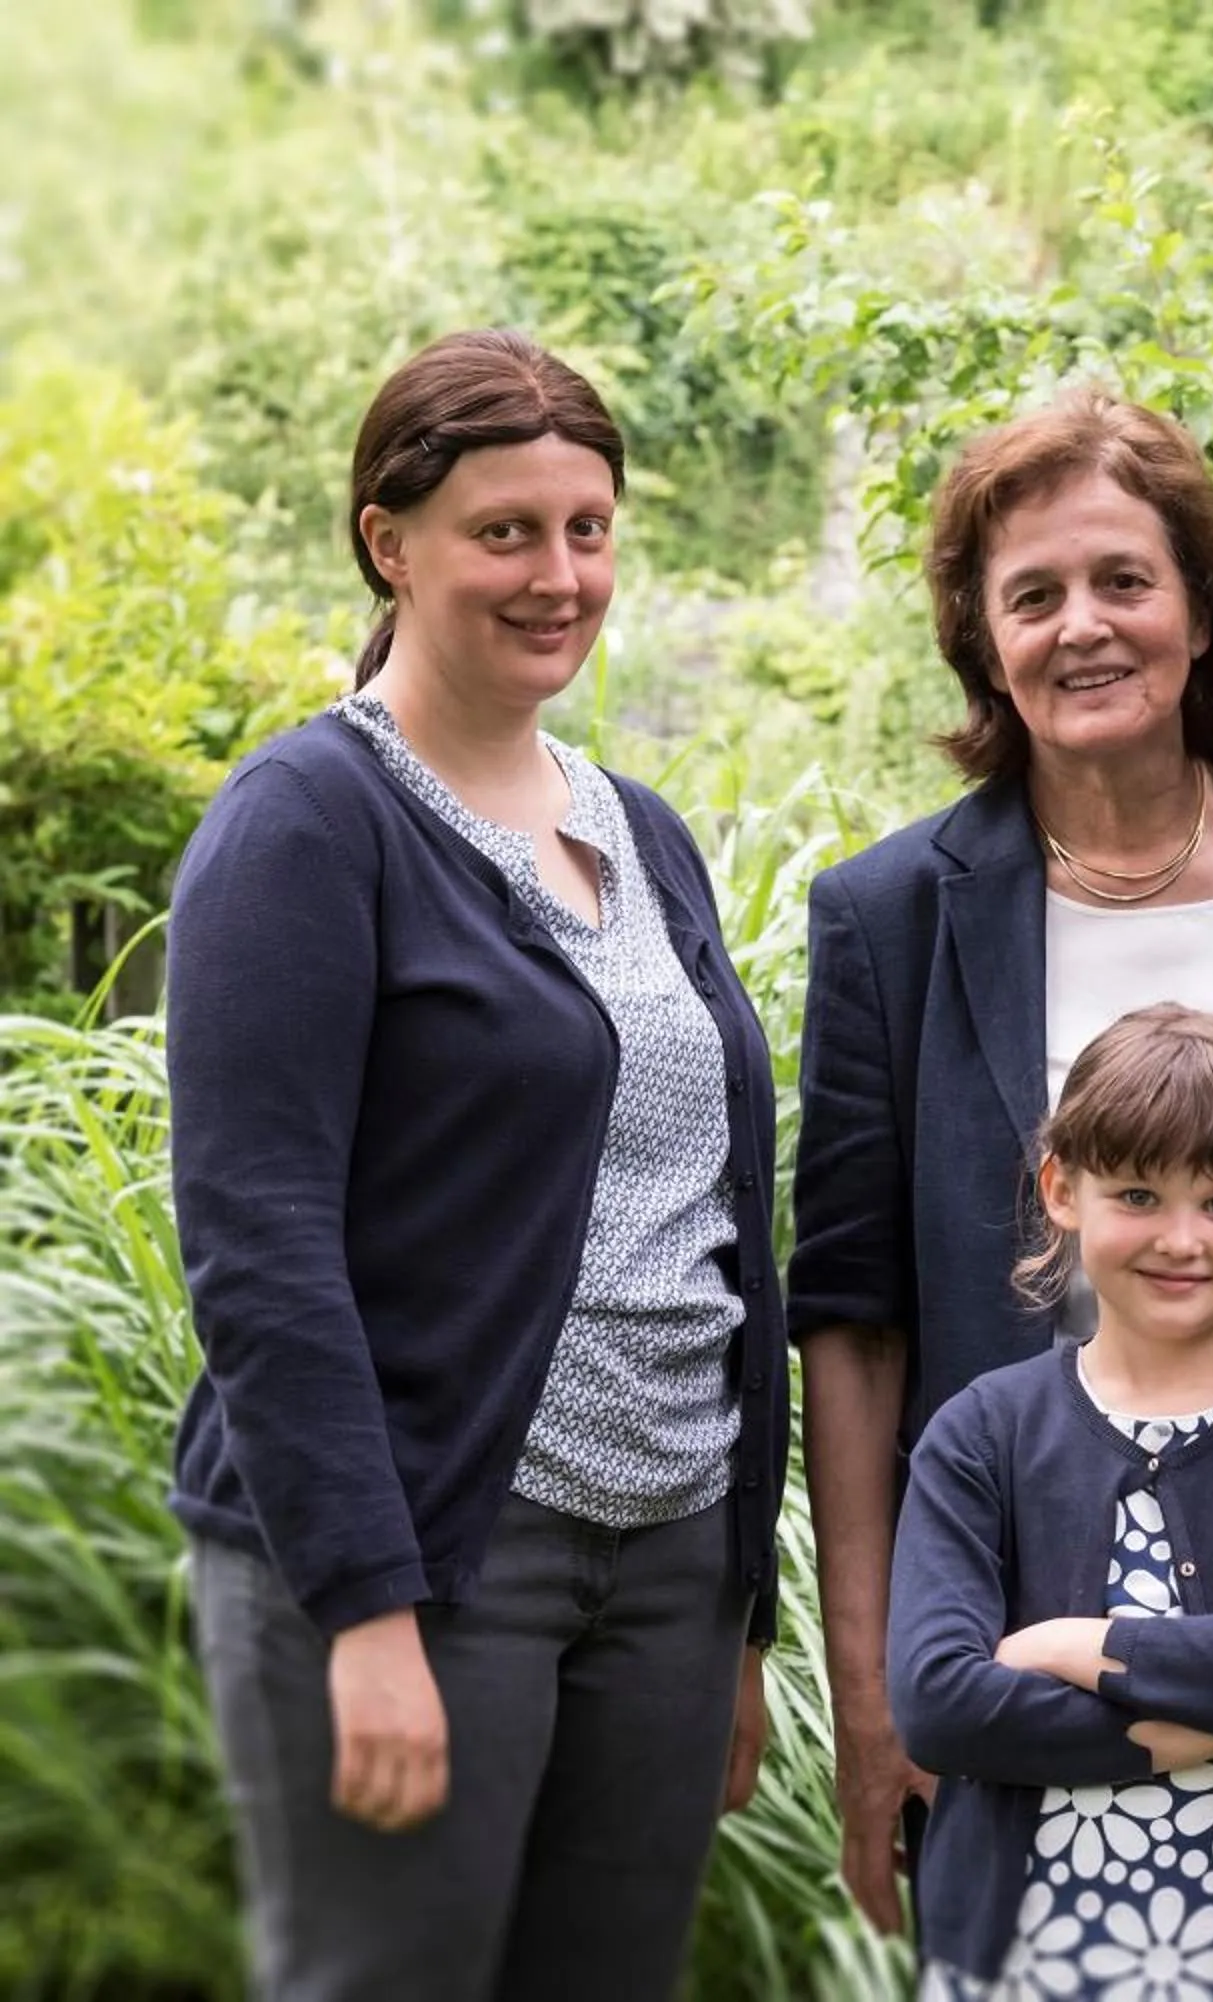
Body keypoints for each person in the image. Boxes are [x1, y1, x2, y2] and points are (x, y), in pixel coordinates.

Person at [165, 328, 784, 2000]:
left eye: (588, 529)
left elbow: (716, 1210)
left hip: (663, 1554)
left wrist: (738, 1607)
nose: (559, 575)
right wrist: (362, 1610)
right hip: (431, 1550)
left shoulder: (639, 828)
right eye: (506, 531)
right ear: (392, 539)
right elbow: (257, 1237)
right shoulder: (307, 823)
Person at [791, 387, 1213, 1934]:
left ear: (1202, 608)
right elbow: (857, 1317)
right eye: (1033, 595)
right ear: (982, 636)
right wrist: (876, 1690)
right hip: (1005, 1638)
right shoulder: (892, 916)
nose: (1083, 628)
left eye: (1124, 581)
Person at [887, 1004, 1213, 1999]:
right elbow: (941, 1705)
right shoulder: (982, 1433)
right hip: (1017, 1967)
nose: (1180, 1239)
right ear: (1062, 1188)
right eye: (1137, 1193)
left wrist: (1068, 1646)